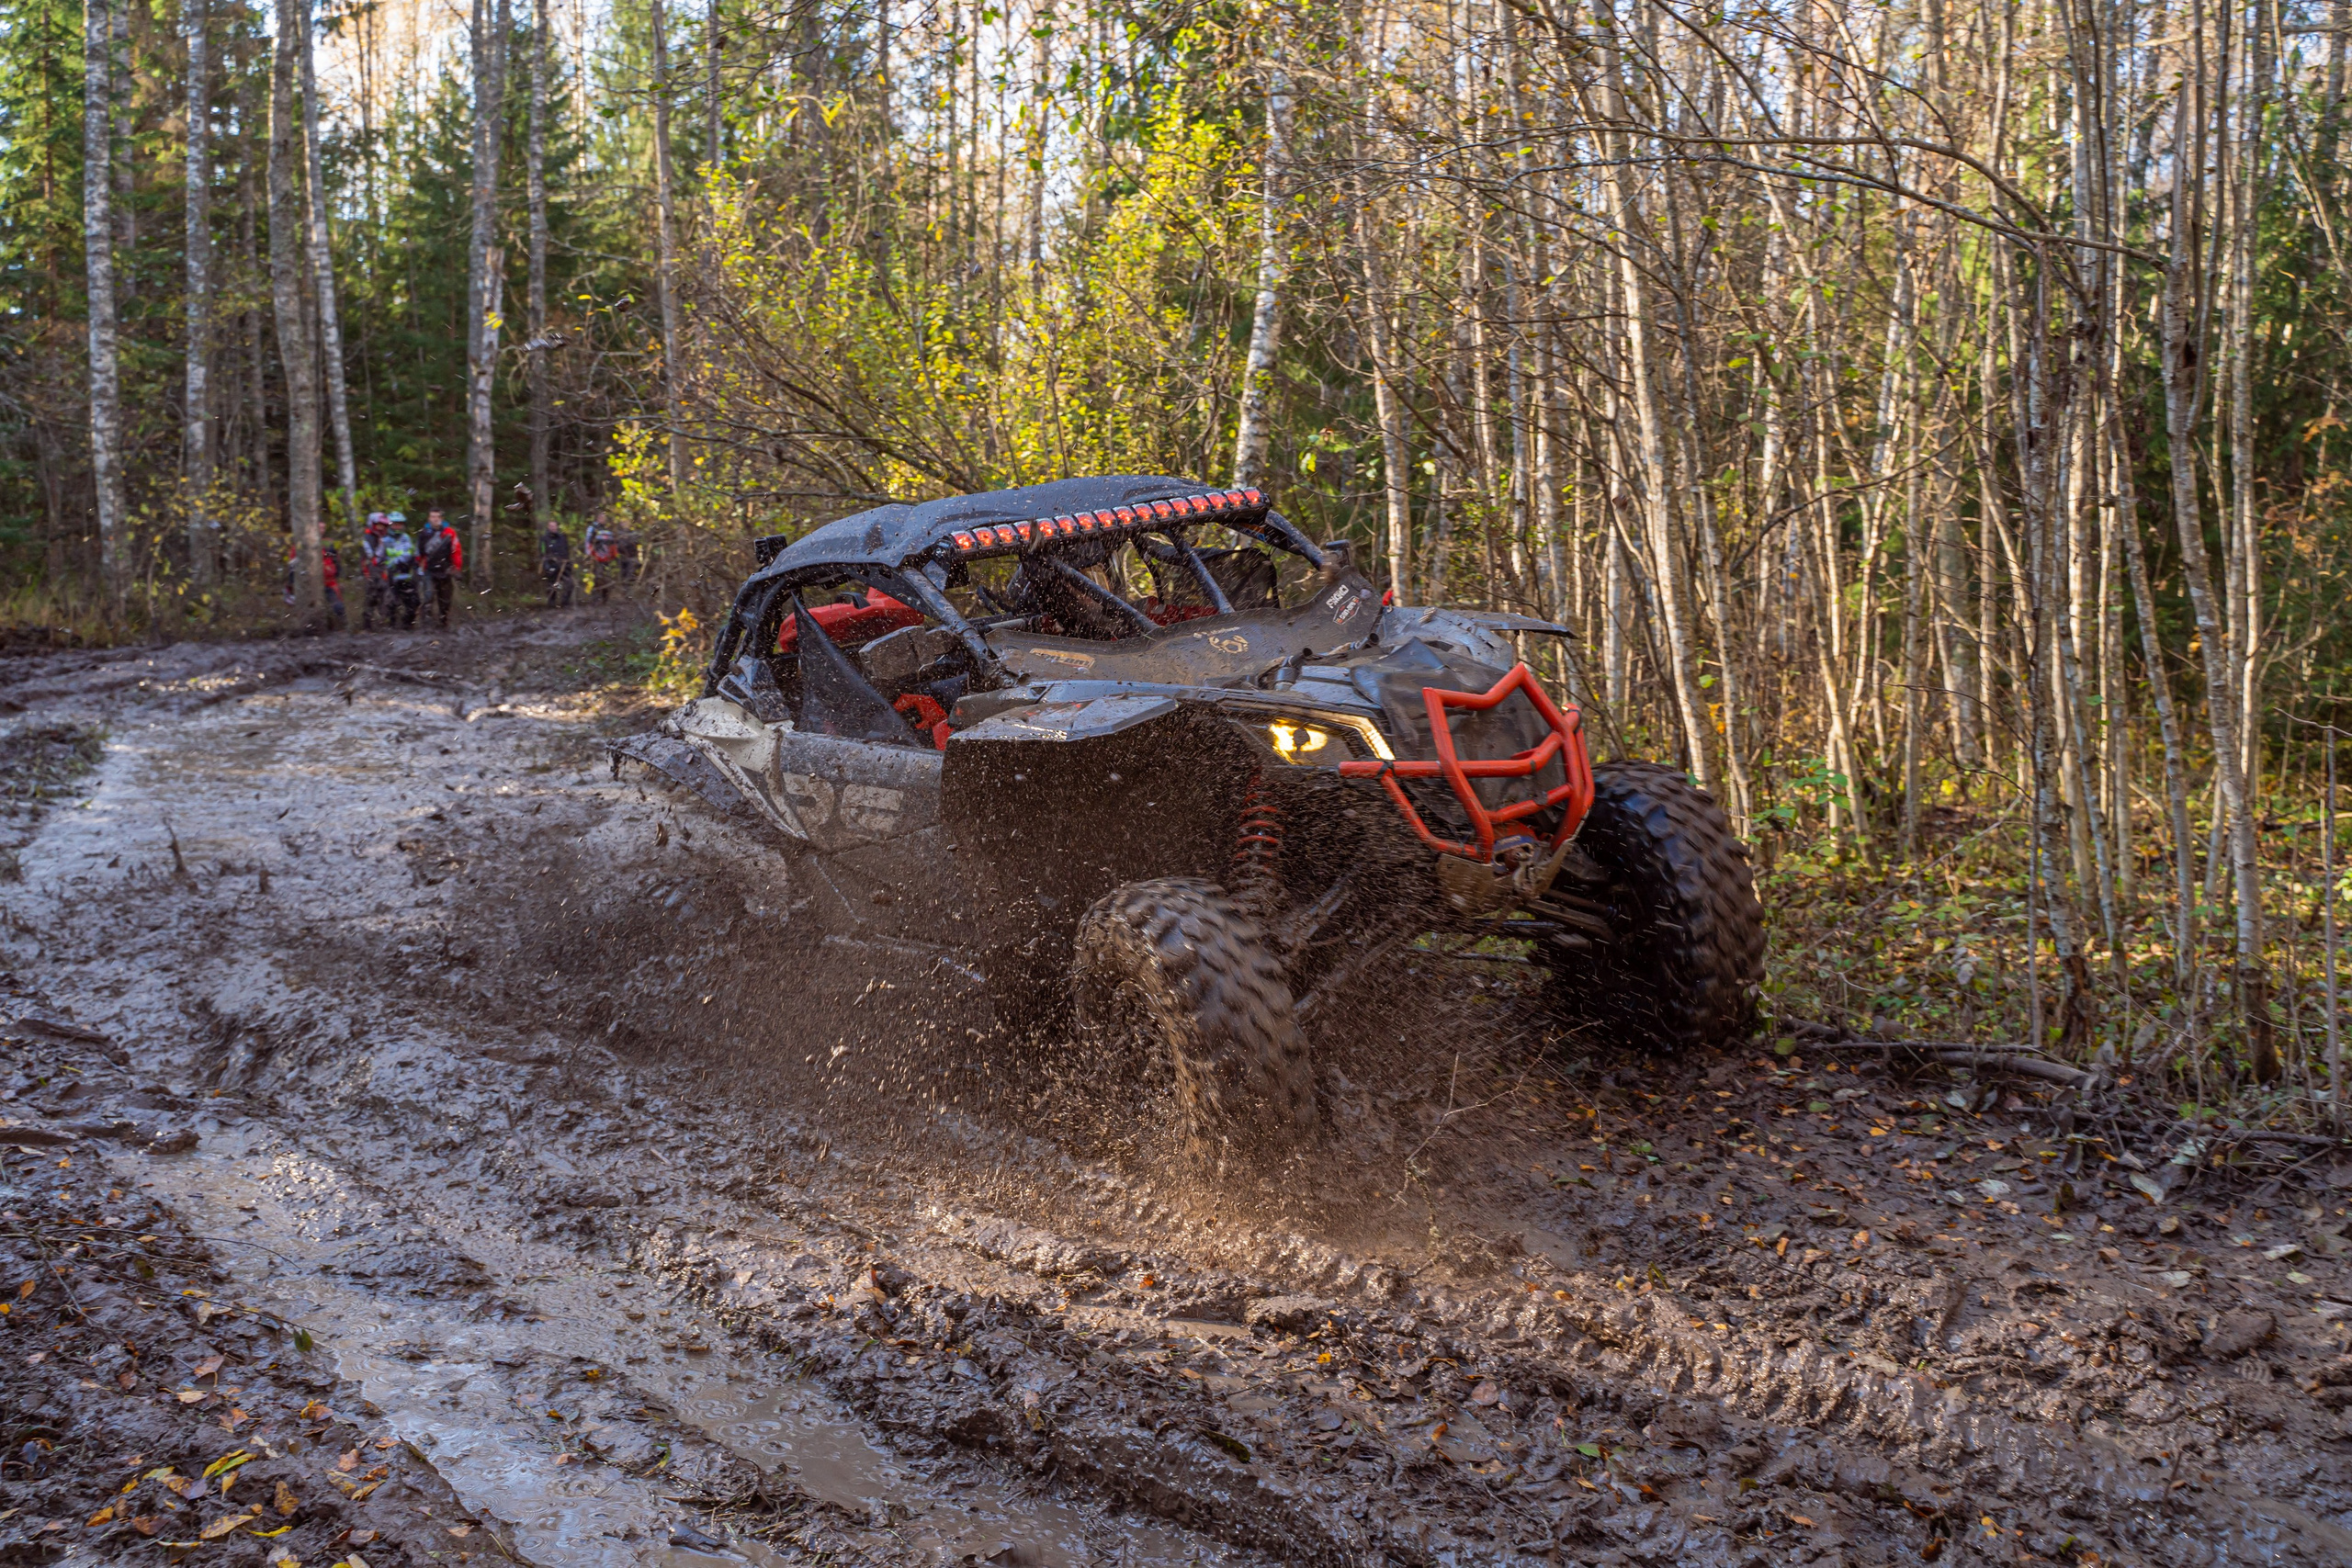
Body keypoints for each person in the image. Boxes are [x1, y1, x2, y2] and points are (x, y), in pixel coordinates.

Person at [420, 508, 463, 628]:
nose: (435, 519)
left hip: (445, 570)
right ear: (429, 519)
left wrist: (457, 568)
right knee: (428, 597)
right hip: (429, 570)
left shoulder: (450, 533)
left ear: (441, 519)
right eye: (433, 517)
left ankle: (443, 623)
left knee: (445, 600)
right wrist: (419, 568)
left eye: (438, 517)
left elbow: (456, 551)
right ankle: (426, 625)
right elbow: (420, 553)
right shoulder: (424, 533)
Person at [381, 513, 421, 629]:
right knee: (391, 603)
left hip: (406, 575)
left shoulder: (406, 538)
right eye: (395, 524)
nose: (397, 527)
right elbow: (380, 558)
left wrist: (416, 567)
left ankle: (407, 624)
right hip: (391, 576)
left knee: (414, 602)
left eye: (400, 524)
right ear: (390, 525)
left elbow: (413, 554)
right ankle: (391, 626)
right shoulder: (384, 540)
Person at [358, 513, 391, 630]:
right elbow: (372, 556)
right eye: (378, 525)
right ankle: (367, 625)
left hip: (383, 570)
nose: (381, 528)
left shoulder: (383, 538)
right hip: (371, 571)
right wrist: (382, 545)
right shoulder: (366, 539)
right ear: (372, 524)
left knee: (386, 596)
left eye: (383, 525)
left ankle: (384, 623)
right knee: (371, 597)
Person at [538, 516, 574, 608]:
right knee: (552, 585)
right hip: (550, 564)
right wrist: (546, 561)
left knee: (570, 583)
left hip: (563, 564)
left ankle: (565, 602)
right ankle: (551, 603)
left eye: (554, 526)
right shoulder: (544, 538)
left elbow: (566, 550)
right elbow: (542, 552)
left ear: (557, 527)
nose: (553, 528)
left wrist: (567, 562)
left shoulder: (562, 537)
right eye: (551, 526)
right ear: (548, 527)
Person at [586, 513, 619, 604]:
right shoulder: (592, 528)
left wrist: (614, 556)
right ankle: (595, 598)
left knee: (607, 578)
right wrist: (590, 555)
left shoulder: (608, 529)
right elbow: (588, 543)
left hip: (607, 558)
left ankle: (605, 599)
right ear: (597, 518)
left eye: (604, 518)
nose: (602, 519)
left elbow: (613, 544)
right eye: (601, 517)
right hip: (596, 558)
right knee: (597, 578)